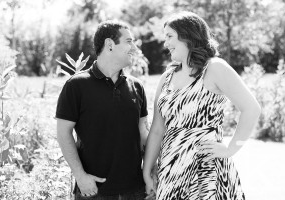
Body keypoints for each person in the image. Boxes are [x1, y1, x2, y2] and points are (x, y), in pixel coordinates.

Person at [143, 11, 261, 200]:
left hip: (206, 168)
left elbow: (251, 108)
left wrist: (231, 148)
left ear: (188, 37)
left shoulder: (215, 68)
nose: (166, 44)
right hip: (171, 168)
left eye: (169, 36)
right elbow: (157, 128)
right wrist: (147, 169)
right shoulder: (167, 77)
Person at [56, 20, 149, 200]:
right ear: (109, 45)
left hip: (136, 190)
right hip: (94, 191)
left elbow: (143, 132)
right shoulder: (76, 85)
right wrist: (80, 176)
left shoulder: (137, 86)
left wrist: (151, 171)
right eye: (128, 41)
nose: (134, 48)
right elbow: (63, 133)